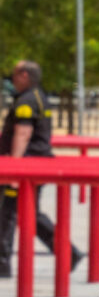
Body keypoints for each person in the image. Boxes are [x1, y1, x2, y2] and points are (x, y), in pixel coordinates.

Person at [0, 60, 84, 278]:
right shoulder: (38, 96)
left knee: (9, 213)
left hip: (26, 166)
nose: (12, 79)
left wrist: (14, 170)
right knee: (27, 214)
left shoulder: (27, 101)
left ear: (25, 75)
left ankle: (3, 262)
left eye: (15, 74)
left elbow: (23, 133)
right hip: (35, 164)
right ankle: (68, 253)